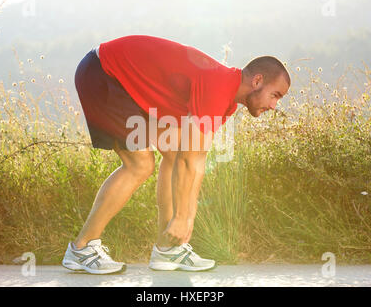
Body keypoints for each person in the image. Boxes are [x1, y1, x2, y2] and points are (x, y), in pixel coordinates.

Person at [61, 35, 290, 274]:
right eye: (275, 95)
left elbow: (195, 158)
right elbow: (190, 161)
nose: (274, 106)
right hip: (104, 73)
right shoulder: (218, 86)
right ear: (258, 81)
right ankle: (81, 249)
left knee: (173, 152)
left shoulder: (228, 99)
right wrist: (182, 218)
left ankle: (168, 249)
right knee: (139, 165)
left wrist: (186, 217)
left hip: (133, 85)